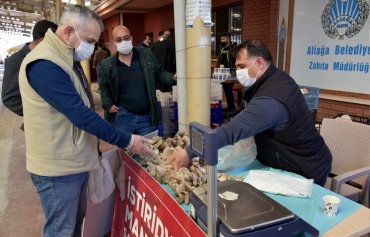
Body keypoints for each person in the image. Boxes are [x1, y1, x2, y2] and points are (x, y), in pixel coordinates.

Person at [18, 5, 154, 236]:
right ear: (69, 31)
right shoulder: (45, 63)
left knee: (74, 223)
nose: (92, 47)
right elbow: (79, 113)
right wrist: (127, 140)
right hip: (57, 169)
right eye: (90, 40)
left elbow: (82, 97)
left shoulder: (64, 56)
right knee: (61, 229)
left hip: (74, 162)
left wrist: (109, 101)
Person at [167, 39, 332, 187]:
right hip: (282, 161)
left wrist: (189, 151)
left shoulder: (272, 98)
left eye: (241, 67)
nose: (238, 72)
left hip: (304, 168)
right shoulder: (271, 79)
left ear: (259, 63)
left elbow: (233, 130)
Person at [99, 26, 177, 136]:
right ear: (114, 42)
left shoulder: (147, 55)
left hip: (147, 116)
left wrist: (173, 78)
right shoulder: (108, 64)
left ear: (131, 38)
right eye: (119, 39)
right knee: (126, 151)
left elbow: (160, 73)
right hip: (123, 116)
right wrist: (108, 104)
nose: (123, 42)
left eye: (126, 38)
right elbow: (104, 86)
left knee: (148, 150)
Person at [1, 20, 58, 130]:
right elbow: (9, 98)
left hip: (56, 124)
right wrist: (39, 112)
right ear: (43, 41)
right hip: (37, 125)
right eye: (55, 42)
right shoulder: (16, 61)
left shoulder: (47, 56)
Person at [217, 33, 237, 112]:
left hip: (231, 71)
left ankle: (232, 107)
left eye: (223, 39)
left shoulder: (233, 47)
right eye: (221, 39)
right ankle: (230, 106)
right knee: (226, 89)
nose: (221, 41)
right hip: (222, 71)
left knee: (228, 88)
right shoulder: (221, 48)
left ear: (228, 39)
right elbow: (219, 58)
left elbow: (235, 56)